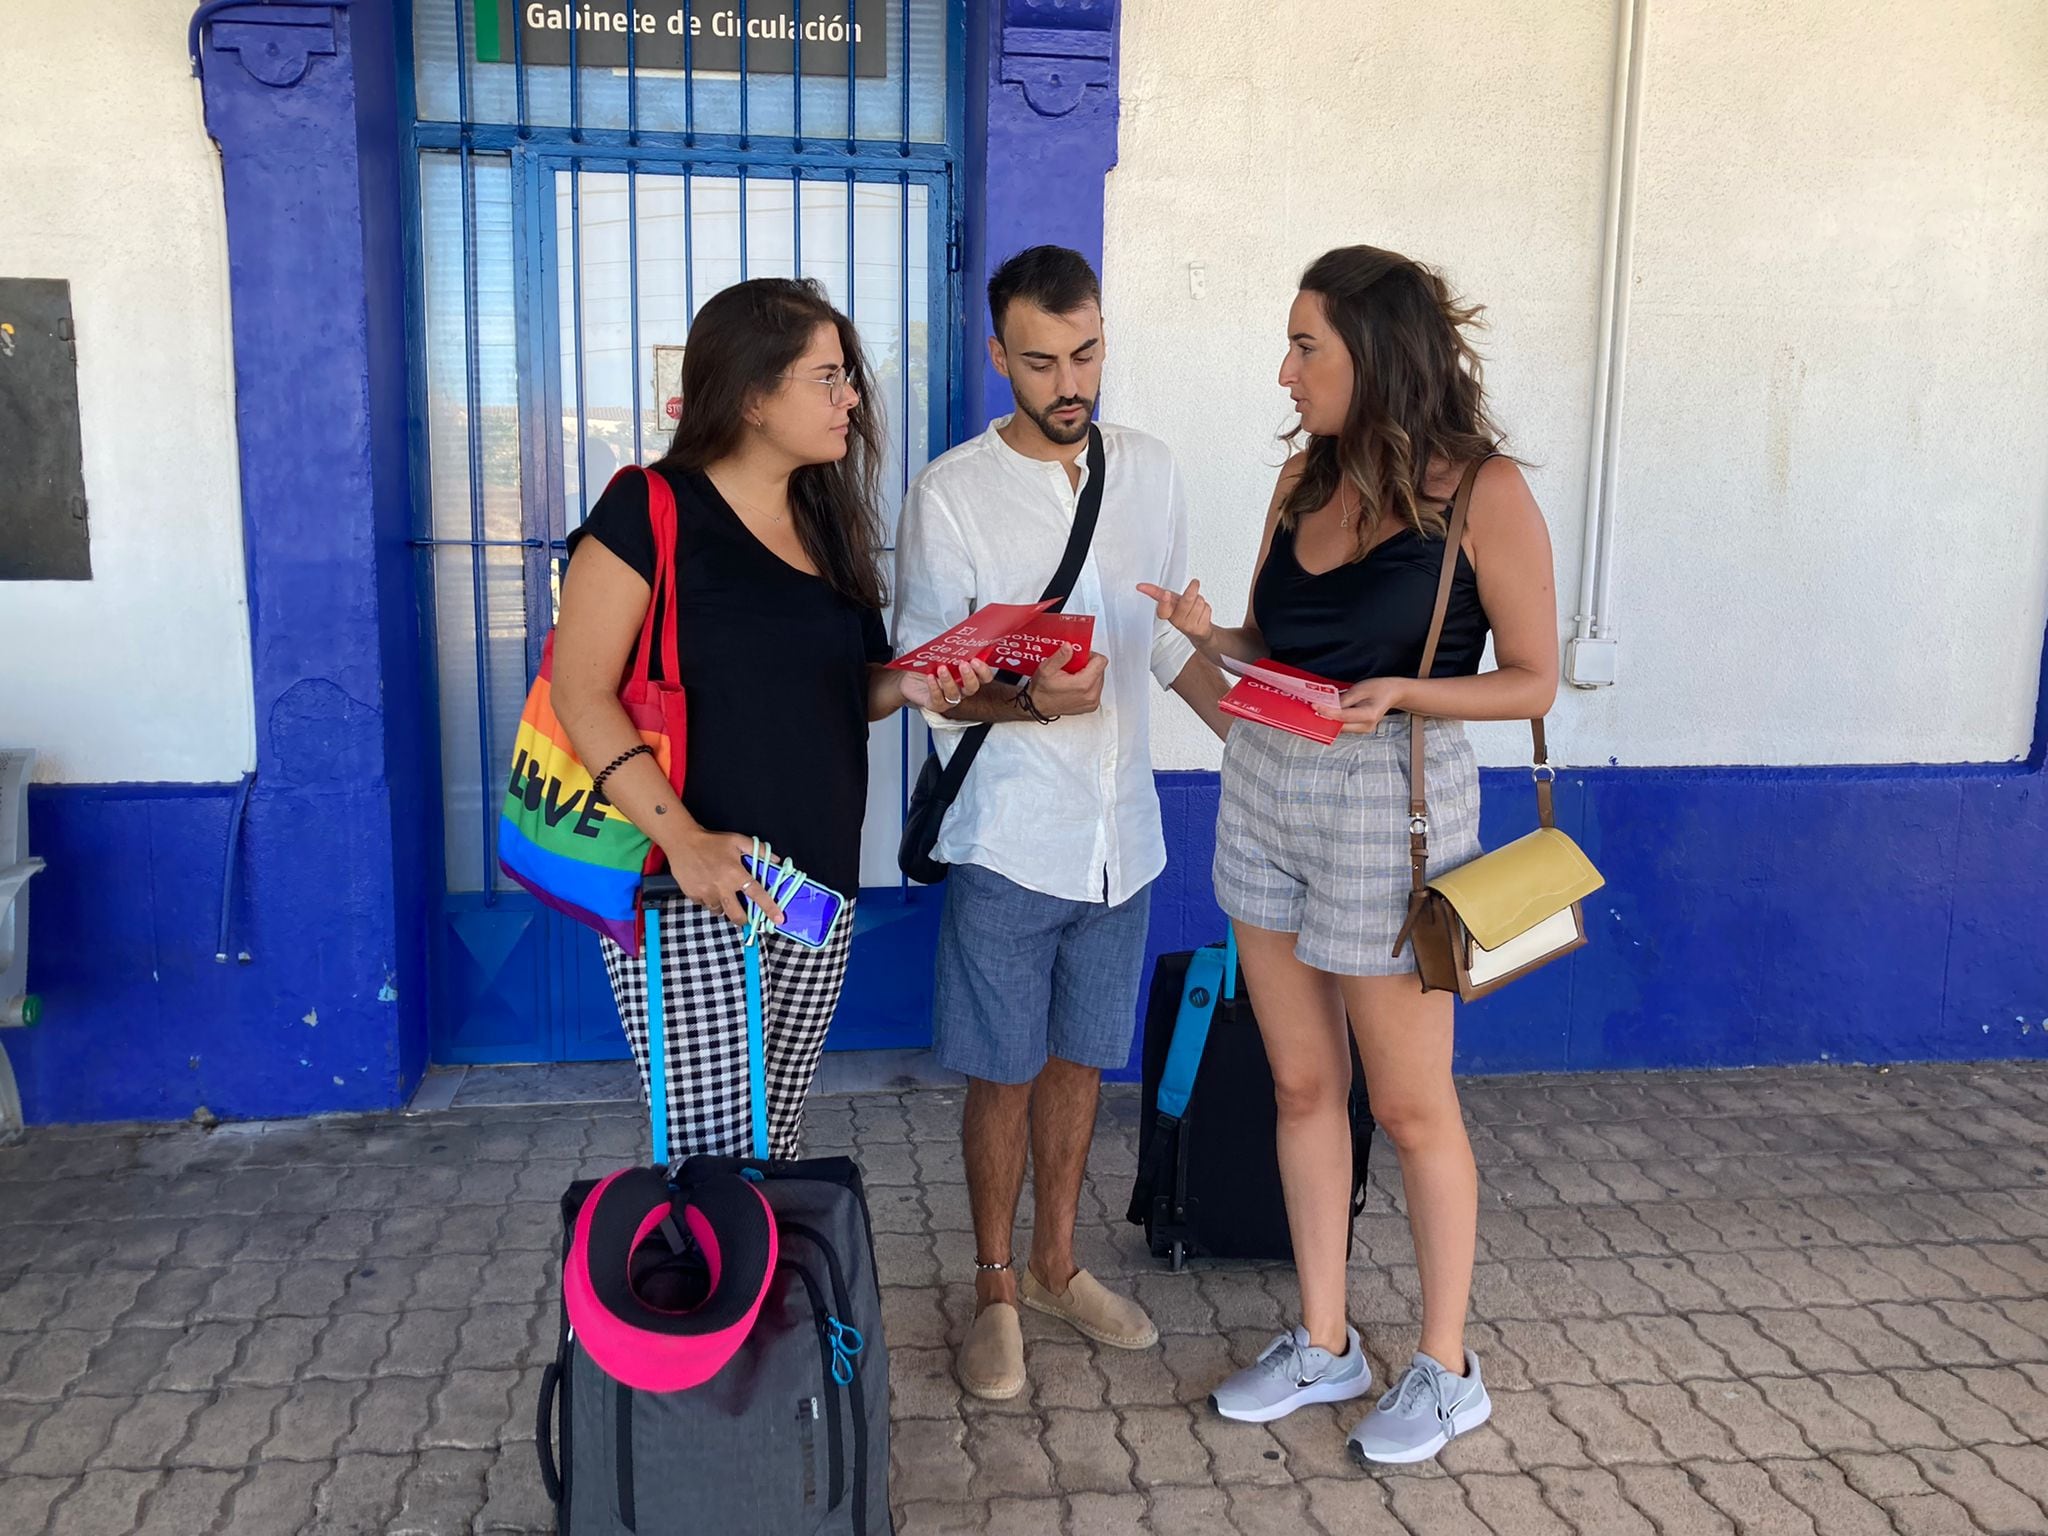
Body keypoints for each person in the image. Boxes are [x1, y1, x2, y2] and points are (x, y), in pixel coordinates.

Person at [1141, 246, 1559, 1464]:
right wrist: (1205, 632)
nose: (1284, 369)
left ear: (1374, 353)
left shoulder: (1481, 491)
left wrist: (1408, 692)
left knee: (1415, 1105)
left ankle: (1445, 1366)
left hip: (1397, 804)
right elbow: (1280, 640)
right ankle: (1324, 1339)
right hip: (1265, 788)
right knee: (1298, 1086)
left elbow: (1534, 678)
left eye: (1304, 345)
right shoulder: (1299, 478)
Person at [894, 245, 1232, 1401]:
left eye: (1085, 352)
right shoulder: (949, 493)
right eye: (1039, 360)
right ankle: (992, 1286)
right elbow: (925, 683)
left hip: (1120, 838)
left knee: (1082, 1062)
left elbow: (1172, 640)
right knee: (999, 1071)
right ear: (999, 358)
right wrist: (1032, 695)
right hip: (1009, 834)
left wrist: (1249, 722)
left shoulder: (1151, 471)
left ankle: (1054, 1265)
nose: (1068, 379)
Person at [551, 277, 991, 1160]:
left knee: (770, 1135)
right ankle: (708, 1295)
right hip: (692, 884)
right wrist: (685, 842)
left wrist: (908, 686)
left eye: (848, 376)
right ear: (752, 395)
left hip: (812, 887)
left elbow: (843, 687)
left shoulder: (826, 522)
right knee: (714, 1154)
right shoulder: (650, 508)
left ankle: (753, 1292)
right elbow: (579, 692)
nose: (851, 398)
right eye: (826, 378)